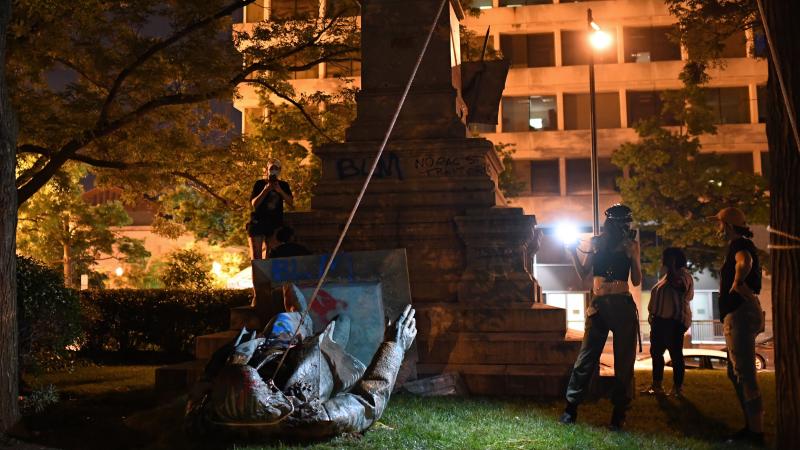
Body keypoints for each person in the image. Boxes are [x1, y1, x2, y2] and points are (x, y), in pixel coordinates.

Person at [559, 204, 642, 430]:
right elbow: (584, 274)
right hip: (598, 305)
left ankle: (618, 414)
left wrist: (633, 255)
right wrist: (572, 252)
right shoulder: (596, 243)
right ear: (612, 222)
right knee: (586, 357)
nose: (626, 225)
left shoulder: (630, 245)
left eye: (628, 221)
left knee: (624, 361)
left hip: (622, 304)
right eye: (623, 221)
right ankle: (570, 408)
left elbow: (636, 280)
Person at [710, 207, 764, 446]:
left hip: (740, 314)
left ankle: (756, 433)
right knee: (735, 373)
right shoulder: (739, 244)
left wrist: (737, 282)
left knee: (745, 375)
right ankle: (751, 426)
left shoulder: (739, 245)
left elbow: (745, 261)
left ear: (728, 226)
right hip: (739, 313)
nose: (717, 229)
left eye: (719, 224)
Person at [642, 247, 693, 397]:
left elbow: (679, 285)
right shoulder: (665, 277)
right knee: (656, 353)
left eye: (666, 257)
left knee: (675, 355)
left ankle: (677, 388)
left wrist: (672, 267)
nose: (662, 260)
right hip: (659, 321)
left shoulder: (683, 276)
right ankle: (657, 385)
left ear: (673, 259)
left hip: (673, 321)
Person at [248, 160, 294, 260]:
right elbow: (254, 204)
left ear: (280, 170)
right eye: (271, 168)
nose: (273, 171)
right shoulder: (259, 184)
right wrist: (265, 190)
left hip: (275, 222)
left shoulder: (283, 185)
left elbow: (290, 202)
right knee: (257, 258)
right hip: (258, 222)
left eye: (276, 168)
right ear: (267, 170)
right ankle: (258, 275)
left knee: (272, 256)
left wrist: (280, 191)